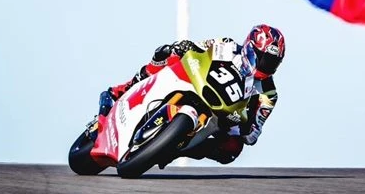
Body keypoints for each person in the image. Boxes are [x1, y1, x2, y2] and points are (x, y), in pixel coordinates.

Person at [99, 24, 285, 165]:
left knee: (232, 150)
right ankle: (125, 88)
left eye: (272, 62)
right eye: (263, 58)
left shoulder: (269, 94)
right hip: (198, 83)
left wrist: (245, 129)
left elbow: (254, 133)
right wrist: (184, 47)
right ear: (250, 47)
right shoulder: (227, 45)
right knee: (168, 53)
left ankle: (174, 149)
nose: (266, 65)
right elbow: (198, 46)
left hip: (225, 117)